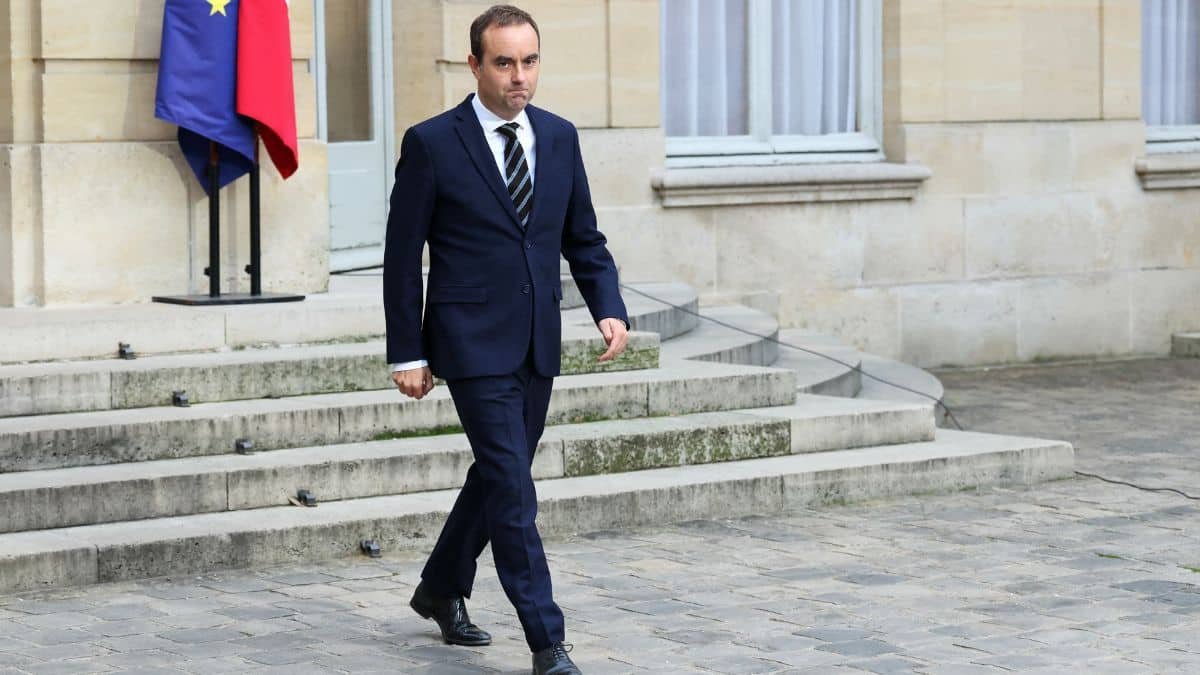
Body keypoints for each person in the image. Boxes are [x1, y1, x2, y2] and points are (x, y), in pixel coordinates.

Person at [383, 5, 629, 674]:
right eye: (504, 63)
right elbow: (402, 257)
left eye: (529, 61)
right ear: (475, 65)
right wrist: (407, 351)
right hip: (468, 341)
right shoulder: (433, 143)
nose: (519, 76)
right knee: (514, 491)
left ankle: (440, 587)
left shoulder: (560, 136)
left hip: (536, 339)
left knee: (499, 475)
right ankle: (548, 642)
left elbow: (583, 236)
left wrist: (607, 307)